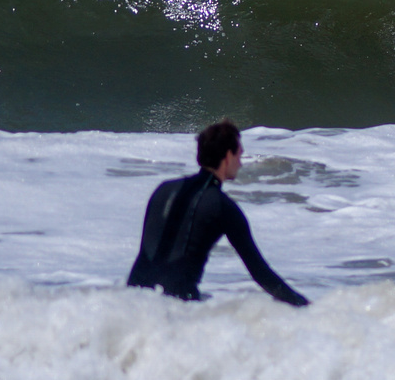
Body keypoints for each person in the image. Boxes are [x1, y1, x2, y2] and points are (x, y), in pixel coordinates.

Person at [127, 120, 309, 306]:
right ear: (228, 156)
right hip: (176, 306)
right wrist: (306, 307)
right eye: (239, 154)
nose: (240, 163)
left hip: (130, 299)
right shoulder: (222, 206)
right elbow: (260, 272)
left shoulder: (163, 190)